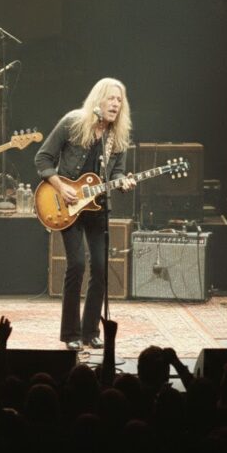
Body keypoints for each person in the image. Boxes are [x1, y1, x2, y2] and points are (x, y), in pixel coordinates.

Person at [35, 77, 135, 351]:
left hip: (97, 207)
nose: (115, 104)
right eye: (111, 98)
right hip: (67, 204)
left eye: (119, 100)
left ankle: (91, 331)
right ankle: (71, 334)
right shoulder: (72, 122)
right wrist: (61, 186)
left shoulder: (118, 137)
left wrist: (123, 181)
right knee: (77, 265)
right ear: (98, 100)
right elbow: (42, 158)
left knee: (101, 269)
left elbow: (117, 172)